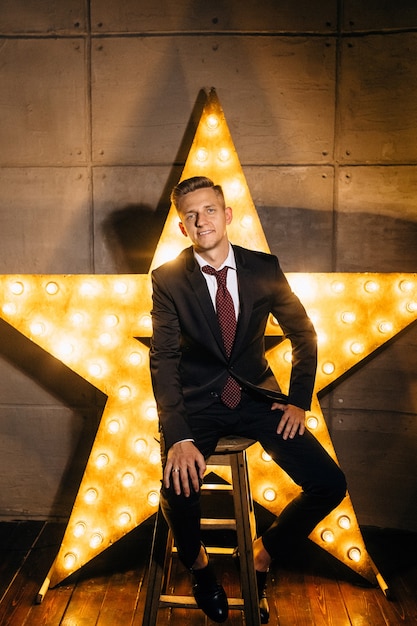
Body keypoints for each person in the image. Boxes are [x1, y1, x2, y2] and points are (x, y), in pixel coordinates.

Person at [150, 176, 346, 624]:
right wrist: (177, 433)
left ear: (227, 215)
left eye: (210, 210)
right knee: (178, 488)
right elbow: (162, 358)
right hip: (198, 404)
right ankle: (200, 569)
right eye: (192, 215)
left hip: (258, 399)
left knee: (329, 484)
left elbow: (304, 334)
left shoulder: (263, 268)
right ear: (182, 227)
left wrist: (298, 399)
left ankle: (262, 553)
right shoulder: (168, 279)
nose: (203, 221)